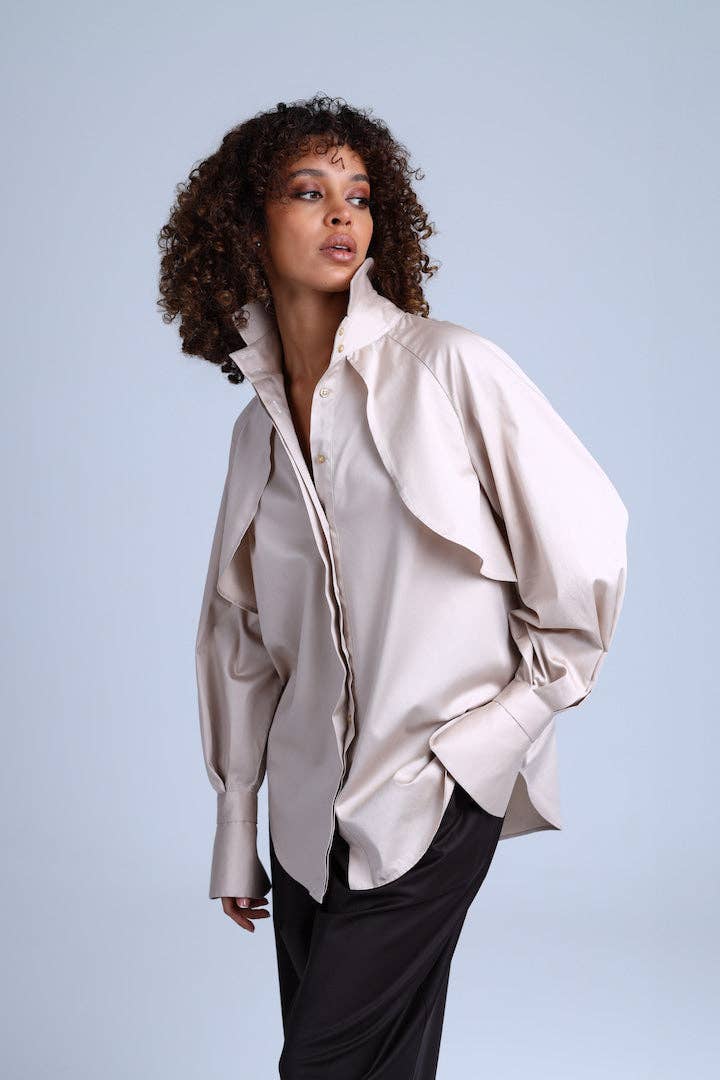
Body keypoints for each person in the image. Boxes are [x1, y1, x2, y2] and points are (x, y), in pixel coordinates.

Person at [157, 93, 629, 1079]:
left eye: (359, 194)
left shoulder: (451, 369)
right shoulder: (256, 435)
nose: (343, 214)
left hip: (436, 784)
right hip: (304, 813)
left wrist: (495, 734)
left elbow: (587, 547)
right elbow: (239, 645)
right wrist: (237, 830)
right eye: (308, 191)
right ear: (245, 224)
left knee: (324, 1068)